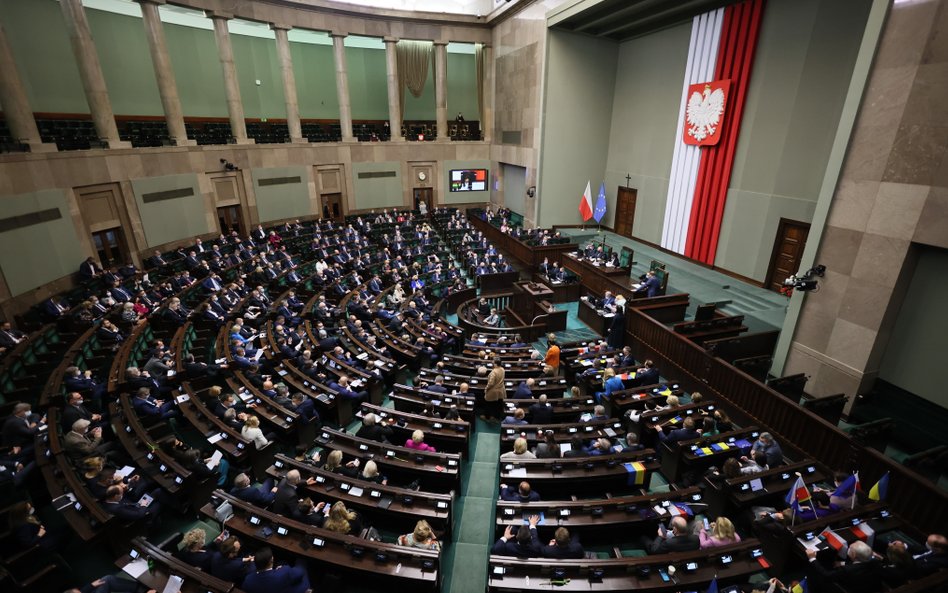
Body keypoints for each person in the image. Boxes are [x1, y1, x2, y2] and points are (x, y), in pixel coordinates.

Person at [806, 540, 885, 593]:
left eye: (850, 548)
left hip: (848, 589)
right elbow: (860, 564)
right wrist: (843, 563)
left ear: (853, 555)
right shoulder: (875, 562)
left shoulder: (847, 570)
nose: (848, 548)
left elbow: (827, 575)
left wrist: (812, 558)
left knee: (816, 574)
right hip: (871, 588)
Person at [241, 547, 310, 593]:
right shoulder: (284, 572)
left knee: (282, 562)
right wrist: (283, 569)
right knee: (301, 565)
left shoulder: (248, 579)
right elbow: (300, 573)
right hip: (286, 589)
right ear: (271, 560)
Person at [482, 356, 506, 422]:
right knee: (498, 405)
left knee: (488, 404)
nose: (492, 363)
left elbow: (491, 383)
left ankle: (487, 417)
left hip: (493, 391)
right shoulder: (503, 369)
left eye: (493, 362)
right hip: (501, 390)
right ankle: (496, 418)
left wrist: (486, 388)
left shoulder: (494, 372)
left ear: (495, 364)